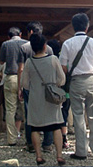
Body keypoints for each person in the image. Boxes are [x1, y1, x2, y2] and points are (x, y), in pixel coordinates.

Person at [59, 13, 93, 160]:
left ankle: (81, 151)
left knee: (78, 115)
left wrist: (71, 73)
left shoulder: (67, 44)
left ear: (73, 26)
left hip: (76, 81)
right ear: (87, 26)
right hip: (92, 79)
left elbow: (63, 66)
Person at [21, 33, 66, 165]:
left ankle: (39, 156)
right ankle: (59, 156)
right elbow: (62, 79)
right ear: (45, 46)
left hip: (35, 98)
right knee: (56, 125)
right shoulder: (53, 59)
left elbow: (24, 84)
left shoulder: (29, 62)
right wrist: (53, 84)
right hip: (51, 97)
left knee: (35, 127)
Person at [17, 21, 54, 153]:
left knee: (30, 115)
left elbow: (21, 69)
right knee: (48, 113)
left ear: (31, 32)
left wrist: (20, 87)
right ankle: (47, 144)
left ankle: (31, 144)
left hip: (30, 87)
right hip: (46, 86)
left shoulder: (24, 48)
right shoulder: (48, 49)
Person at [0, 27, 27, 146]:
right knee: (26, 108)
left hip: (10, 77)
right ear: (20, 34)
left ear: (9, 36)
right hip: (25, 77)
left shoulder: (5, 44)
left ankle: (12, 139)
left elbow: (1, 62)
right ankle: (28, 138)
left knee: (10, 110)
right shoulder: (27, 43)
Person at [47, 39, 70, 149]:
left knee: (52, 114)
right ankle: (64, 138)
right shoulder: (63, 60)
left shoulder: (48, 60)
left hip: (51, 92)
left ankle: (51, 138)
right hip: (65, 92)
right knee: (64, 113)